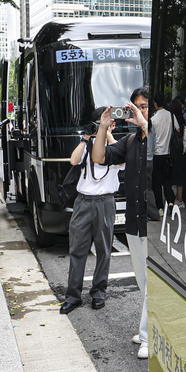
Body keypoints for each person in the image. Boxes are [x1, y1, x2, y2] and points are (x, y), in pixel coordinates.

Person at [94, 90, 153, 357]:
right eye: (136, 107)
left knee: (153, 282)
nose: (140, 111)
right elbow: (99, 157)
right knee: (142, 280)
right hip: (134, 220)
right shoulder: (130, 141)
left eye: (145, 107)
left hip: (155, 222)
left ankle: (148, 337)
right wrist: (103, 127)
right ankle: (150, 328)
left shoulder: (159, 138)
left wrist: (145, 126)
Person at [61, 110, 121, 314]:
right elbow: (73, 161)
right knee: (77, 249)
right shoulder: (86, 145)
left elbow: (121, 162)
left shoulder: (116, 146)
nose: (100, 128)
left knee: (104, 250)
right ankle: (72, 296)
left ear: (112, 125)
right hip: (83, 202)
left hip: (105, 201)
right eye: (97, 124)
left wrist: (107, 134)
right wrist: (87, 138)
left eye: (105, 124)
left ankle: (98, 292)